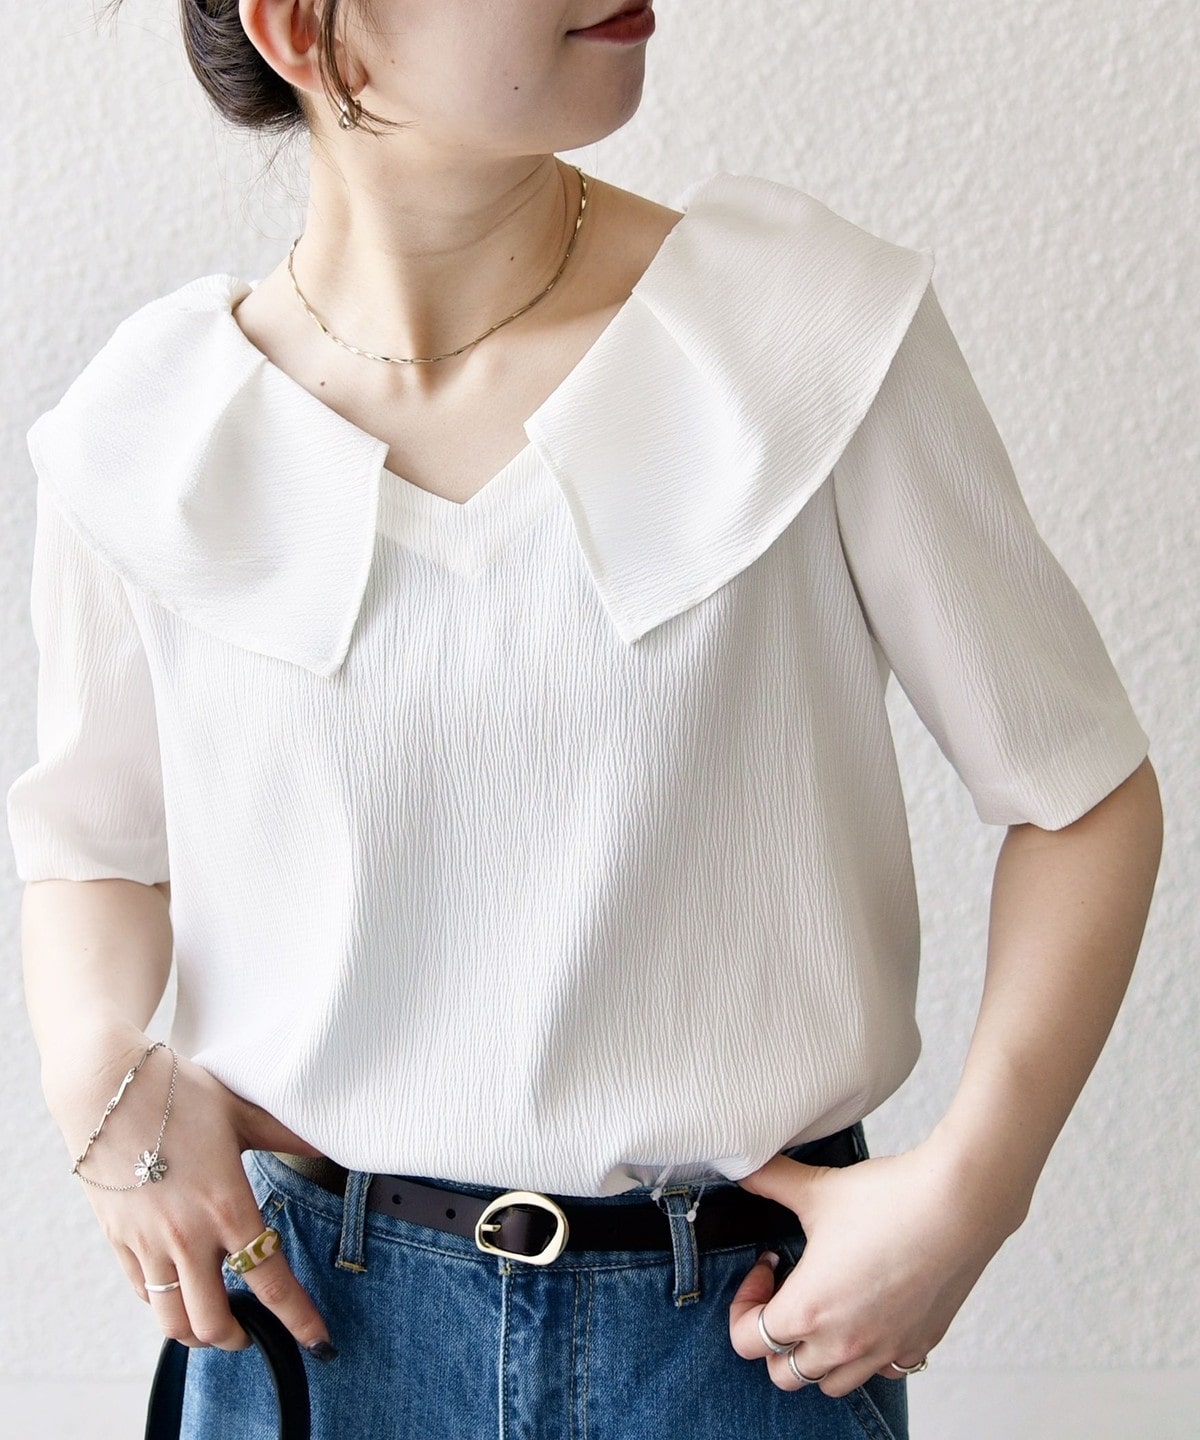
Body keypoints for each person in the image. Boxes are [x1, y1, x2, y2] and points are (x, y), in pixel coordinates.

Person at [7, 2, 1163, 1438]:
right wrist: (105, 1100)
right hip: (308, 1333)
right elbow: (93, 848)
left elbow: (1077, 794)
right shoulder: (153, 434)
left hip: (742, 1338)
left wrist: (971, 1195)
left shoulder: (804, 338)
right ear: (309, 28)